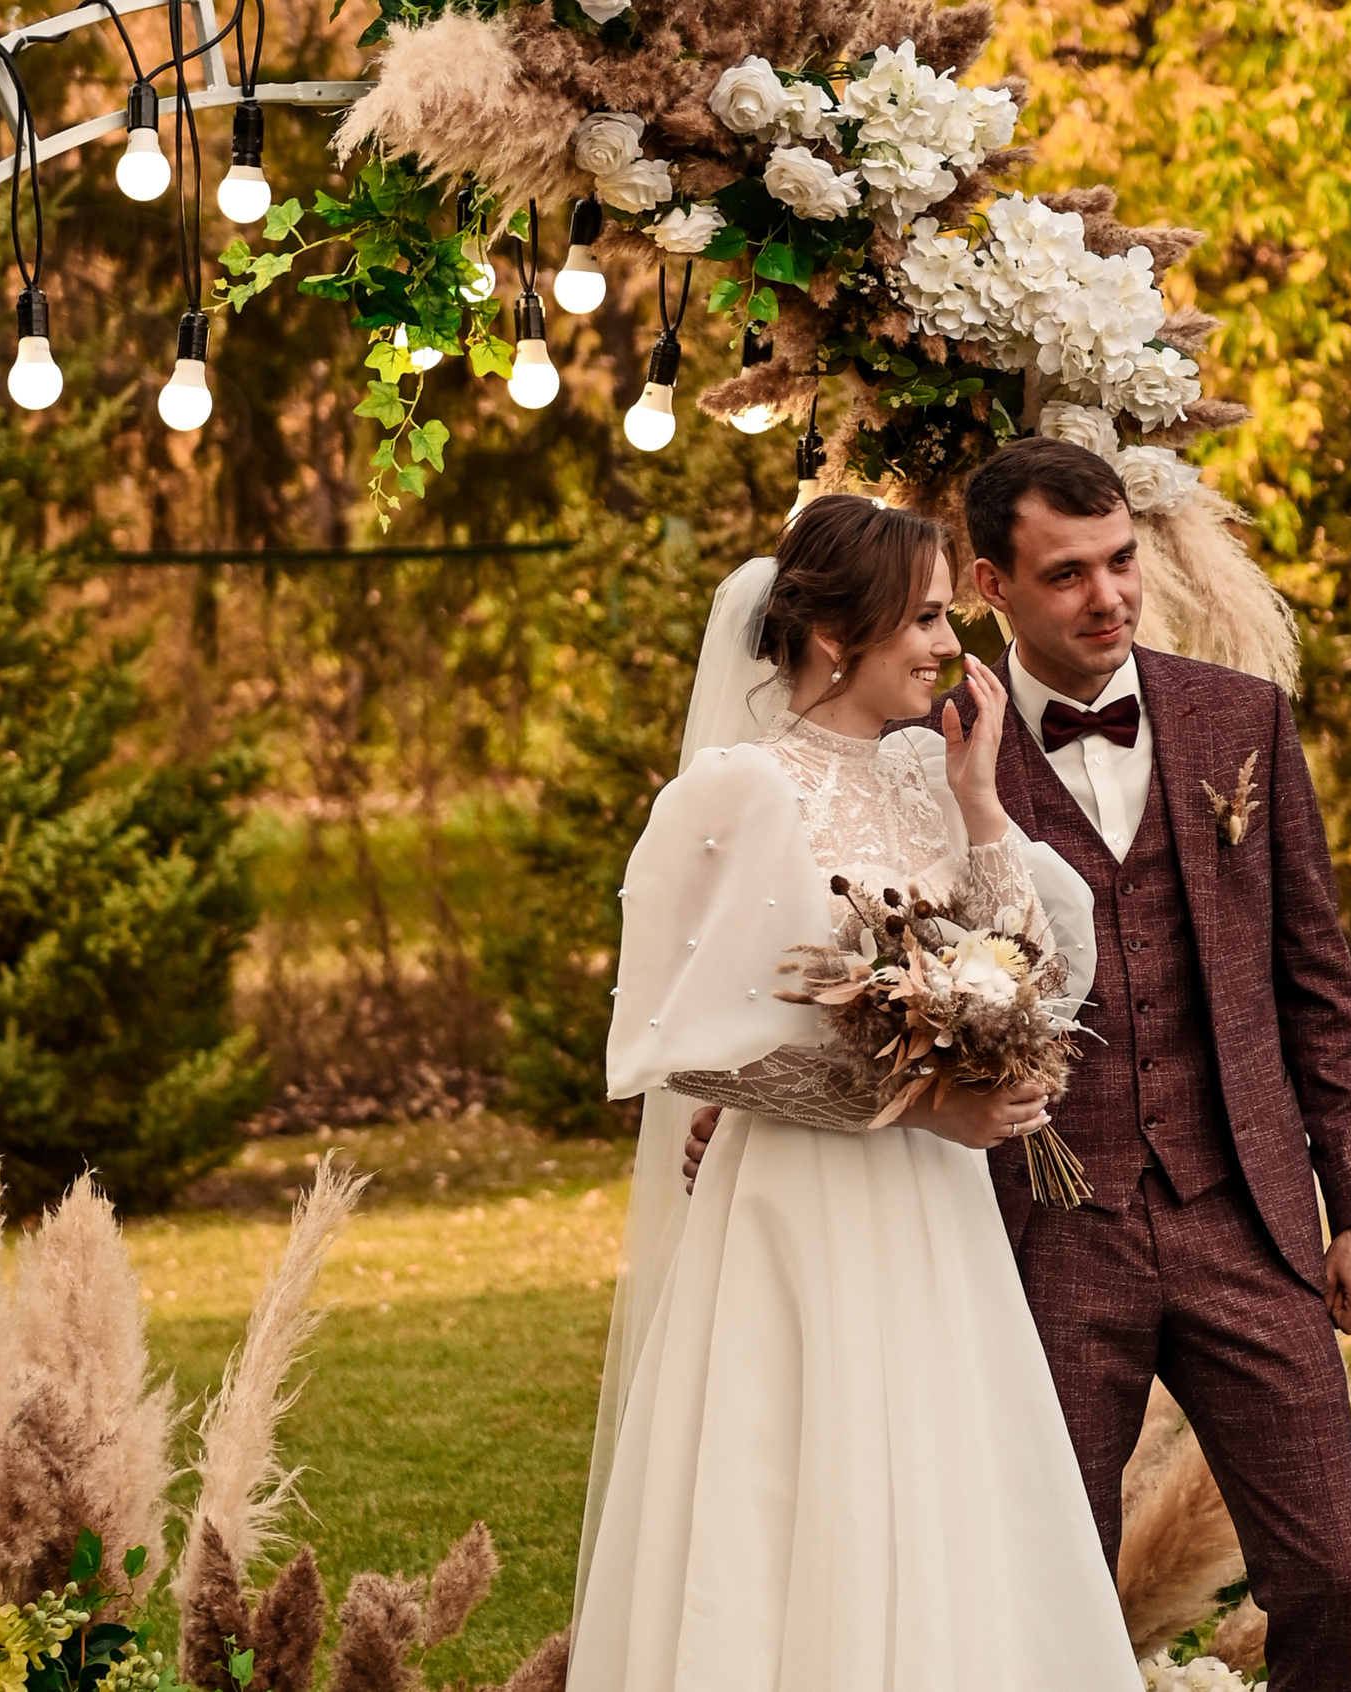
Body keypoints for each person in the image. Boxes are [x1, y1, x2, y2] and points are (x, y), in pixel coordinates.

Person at [685, 438, 1351, 1691]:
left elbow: (1315, 979)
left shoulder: (1239, 720)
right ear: (990, 585)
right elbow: (830, 942)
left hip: (1241, 1212)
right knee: (1039, 1574)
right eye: (1068, 573)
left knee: (1331, 1569)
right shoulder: (924, 752)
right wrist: (796, 1094)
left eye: (1122, 562)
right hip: (1041, 1226)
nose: (1110, 597)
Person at [572, 495, 1141, 1692]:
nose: (950, 645)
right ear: (840, 635)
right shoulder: (737, 793)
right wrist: (928, 1105)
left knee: (941, 1481)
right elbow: (691, 1046)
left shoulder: (926, 775)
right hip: (801, 1205)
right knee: (796, 1479)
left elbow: (1041, 966)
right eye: (927, 619)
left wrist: (981, 803)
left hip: (932, 1215)